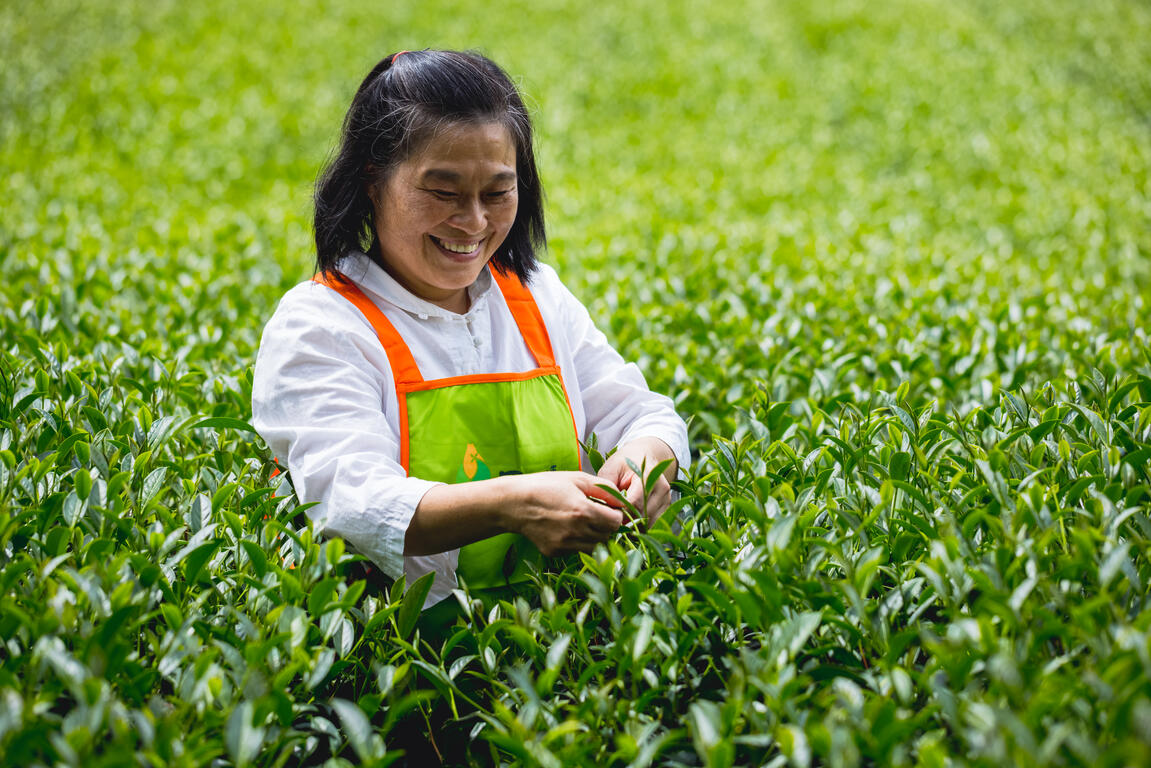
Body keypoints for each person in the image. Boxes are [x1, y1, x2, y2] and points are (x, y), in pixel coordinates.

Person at [251, 49, 689, 613]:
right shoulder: (322, 325)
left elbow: (642, 413)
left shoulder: (534, 296)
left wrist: (642, 461)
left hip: (564, 651)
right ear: (372, 181)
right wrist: (514, 504)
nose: (475, 222)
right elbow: (356, 502)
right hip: (405, 673)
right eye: (443, 191)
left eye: (497, 192)